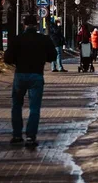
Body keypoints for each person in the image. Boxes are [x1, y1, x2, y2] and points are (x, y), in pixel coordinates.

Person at [3, 14, 57, 146]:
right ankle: (31, 137)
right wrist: (43, 58)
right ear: (36, 25)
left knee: (16, 105)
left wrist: (17, 60)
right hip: (36, 75)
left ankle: (17, 135)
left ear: (24, 25)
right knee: (34, 107)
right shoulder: (43, 39)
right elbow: (53, 56)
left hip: (20, 75)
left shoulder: (18, 39)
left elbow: (7, 58)